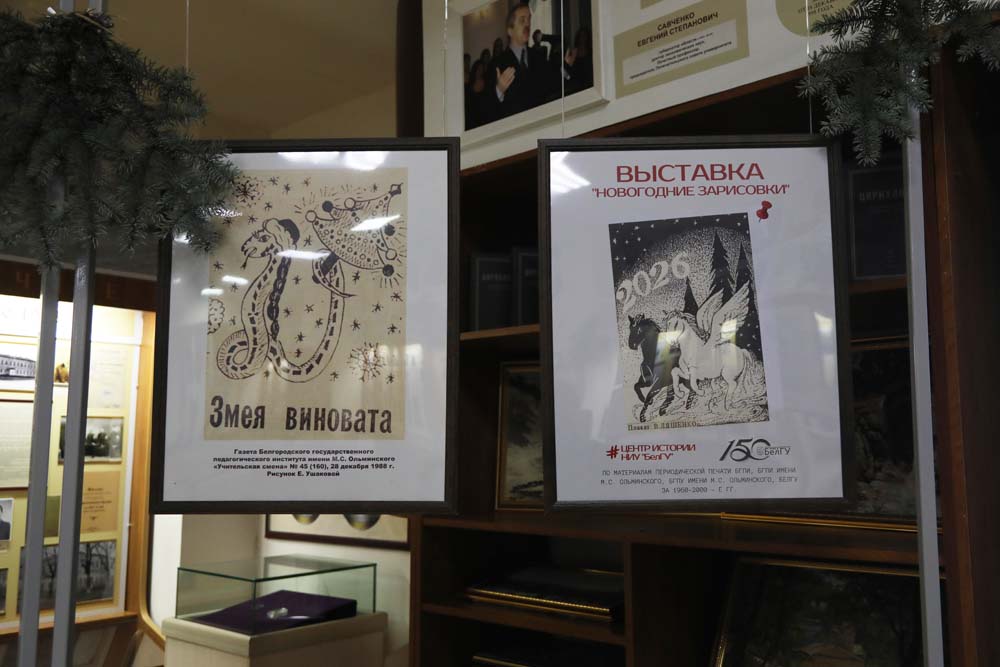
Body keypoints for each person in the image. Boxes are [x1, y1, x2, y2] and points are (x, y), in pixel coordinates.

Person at [490, 3, 558, 121]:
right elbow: (487, 109)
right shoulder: (497, 63)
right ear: (510, 30)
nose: (527, 24)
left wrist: (565, 66)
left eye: (529, 20)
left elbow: (552, 88)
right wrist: (499, 90)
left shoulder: (539, 57)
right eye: (522, 20)